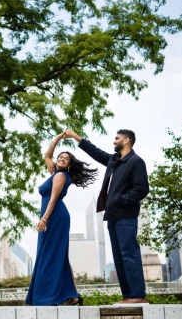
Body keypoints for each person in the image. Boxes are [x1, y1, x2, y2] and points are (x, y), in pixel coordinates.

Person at [61, 129, 150, 304]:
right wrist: (75, 137)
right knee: (118, 257)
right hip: (112, 216)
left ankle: (139, 295)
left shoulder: (136, 161)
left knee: (129, 254)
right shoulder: (114, 160)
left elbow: (142, 189)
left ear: (126, 140)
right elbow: (96, 152)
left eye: (117, 138)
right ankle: (128, 296)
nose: (114, 141)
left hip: (126, 215)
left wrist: (120, 200)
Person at [26, 133, 97, 306]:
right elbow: (47, 156)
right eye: (61, 157)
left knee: (49, 254)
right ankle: (71, 296)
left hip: (54, 216)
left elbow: (53, 199)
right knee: (58, 256)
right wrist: (57, 138)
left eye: (66, 159)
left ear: (69, 165)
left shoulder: (60, 176)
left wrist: (44, 219)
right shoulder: (55, 173)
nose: (62, 159)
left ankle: (47, 296)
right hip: (54, 215)